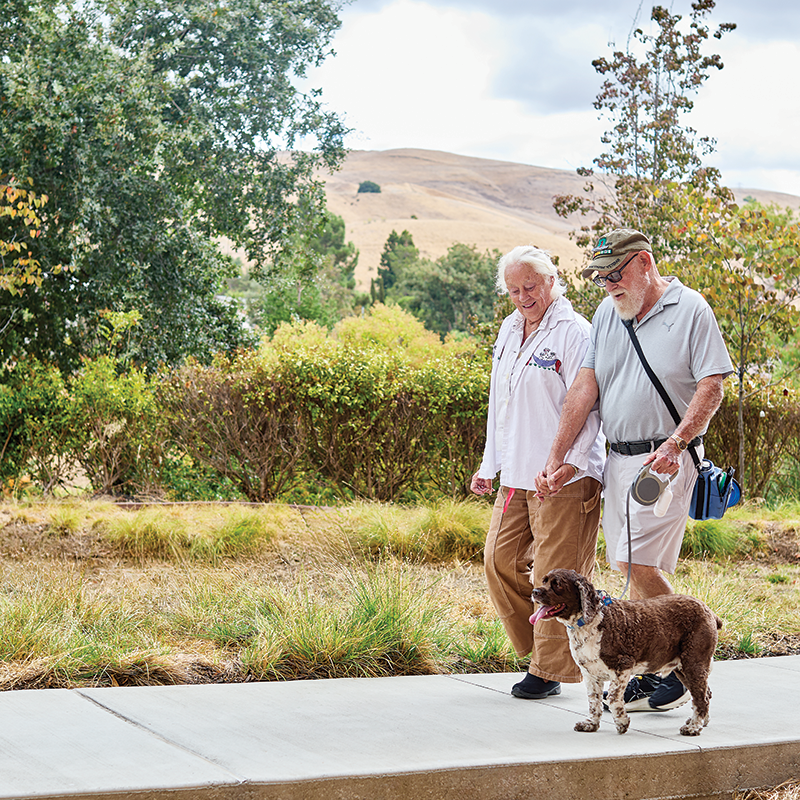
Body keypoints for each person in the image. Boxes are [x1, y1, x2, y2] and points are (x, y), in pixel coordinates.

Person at [535, 228, 733, 712]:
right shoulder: (607, 314)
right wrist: (558, 456)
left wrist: (677, 442)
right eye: (601, 277)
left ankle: (684, 655)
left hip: (663, 461)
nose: (607, 285)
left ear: (645, 262)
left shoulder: (691, 309)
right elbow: (584, 388)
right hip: (618, 460)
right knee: (626, 563)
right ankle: (670, 655)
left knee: (640, 562)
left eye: (615, 274)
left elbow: (712, 385)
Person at [471, 245, 606, 700]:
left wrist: (570, 461)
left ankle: (548, 671)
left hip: (566, 475)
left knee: (555, 575)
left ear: (551, 281)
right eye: (513, 290)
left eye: (530, 286)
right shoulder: (510, 329)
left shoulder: (576, 332)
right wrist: (491, 463)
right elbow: (502, 405)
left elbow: (589, 405)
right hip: (517, 474)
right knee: (499, 561)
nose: (523, 296)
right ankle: (549, 650)